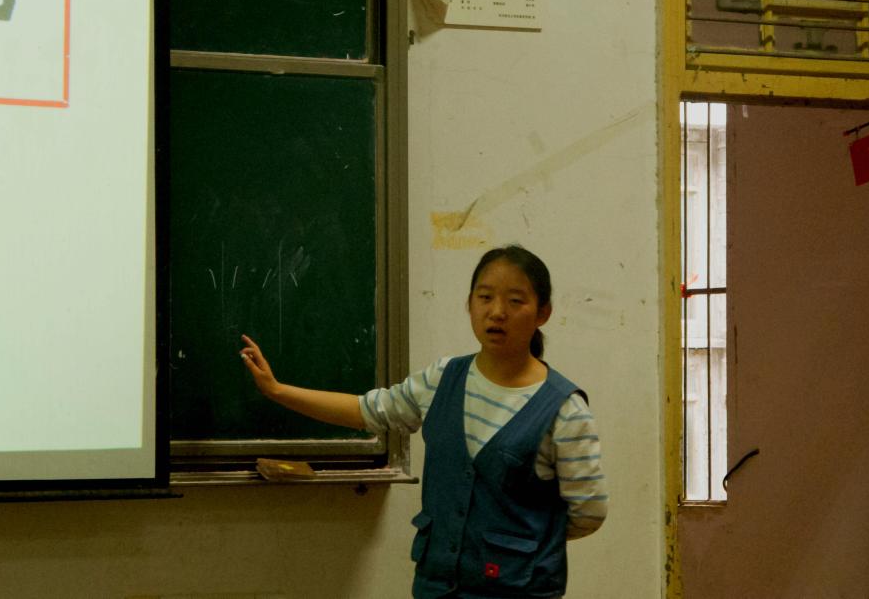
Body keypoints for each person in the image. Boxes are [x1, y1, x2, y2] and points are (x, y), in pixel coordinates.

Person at [240, 245, 607, 598]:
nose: (497, 312)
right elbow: (367, 410)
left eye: (515, 301)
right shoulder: (443, 379)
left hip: (517, 589)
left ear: (543, 313)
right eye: (485, 297)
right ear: (469, 304)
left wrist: (519, 545)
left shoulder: (564, 409)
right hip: (437, 586)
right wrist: (277, 390)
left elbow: (588, 512)